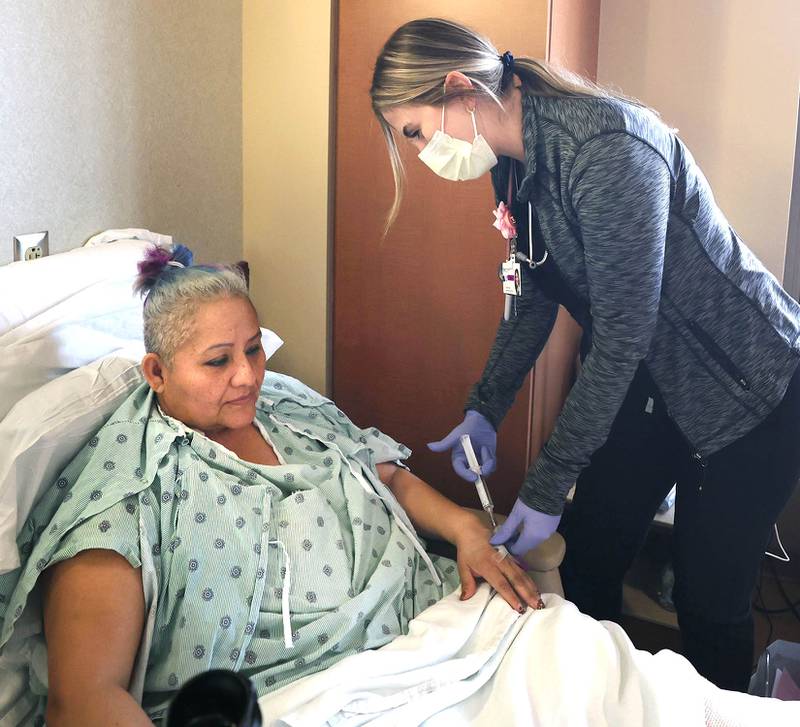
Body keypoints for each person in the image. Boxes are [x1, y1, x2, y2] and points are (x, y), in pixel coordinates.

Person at [371, 17, 800, 691]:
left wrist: (544, 481)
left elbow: (624, 331)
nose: (423, 156)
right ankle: (598, 698)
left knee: (708, 600)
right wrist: (485, 407)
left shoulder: (607, 150)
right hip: (655, 376)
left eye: (416, 133)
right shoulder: (510, 166)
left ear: (458, 88)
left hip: (749, 389)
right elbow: (534, 292)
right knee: (592, 550)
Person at [0, 245, 541, 725]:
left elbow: (387, 475)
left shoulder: (288, 405)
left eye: (253, 350)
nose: (248, 376)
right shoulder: (128, 489)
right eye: (219, 361)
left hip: (441, 626)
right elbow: (84, 698)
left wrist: (465, 527)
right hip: (305, 696)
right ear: (156, 373)